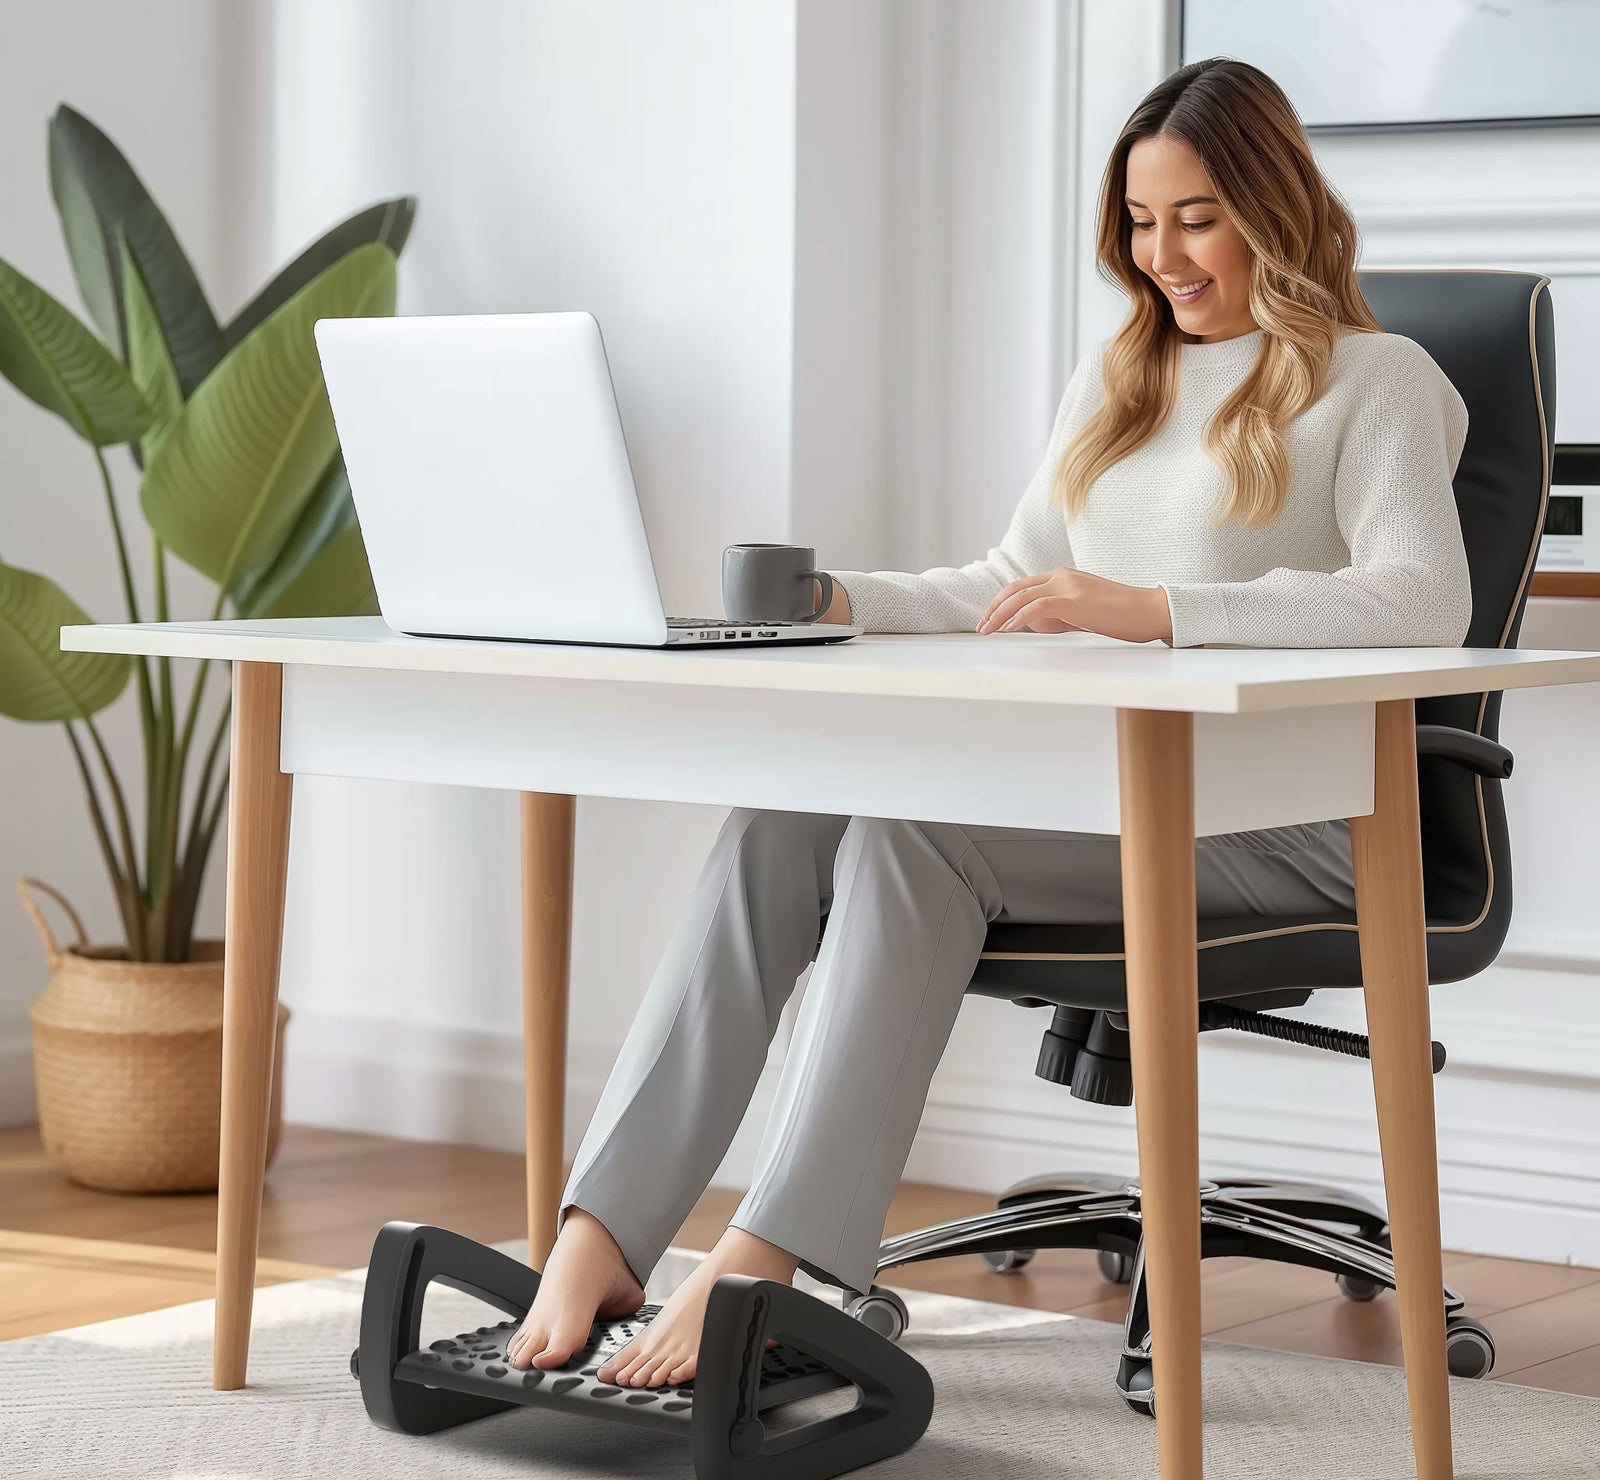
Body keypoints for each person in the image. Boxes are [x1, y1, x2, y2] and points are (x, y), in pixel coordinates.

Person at [505, 55, 1472, 1388]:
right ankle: (604, 1231)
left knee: (914, 836)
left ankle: (768, 1268)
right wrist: (844, 600)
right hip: (1102, 795)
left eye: (1197, 215)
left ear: (1274, 205)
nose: (1164, 253)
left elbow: (1425, 596)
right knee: (782, 817)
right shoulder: (1121, 376)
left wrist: (1153, 609)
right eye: (1141, 221)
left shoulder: (1378, 380)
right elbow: (1009, 589)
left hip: (1290, 819)